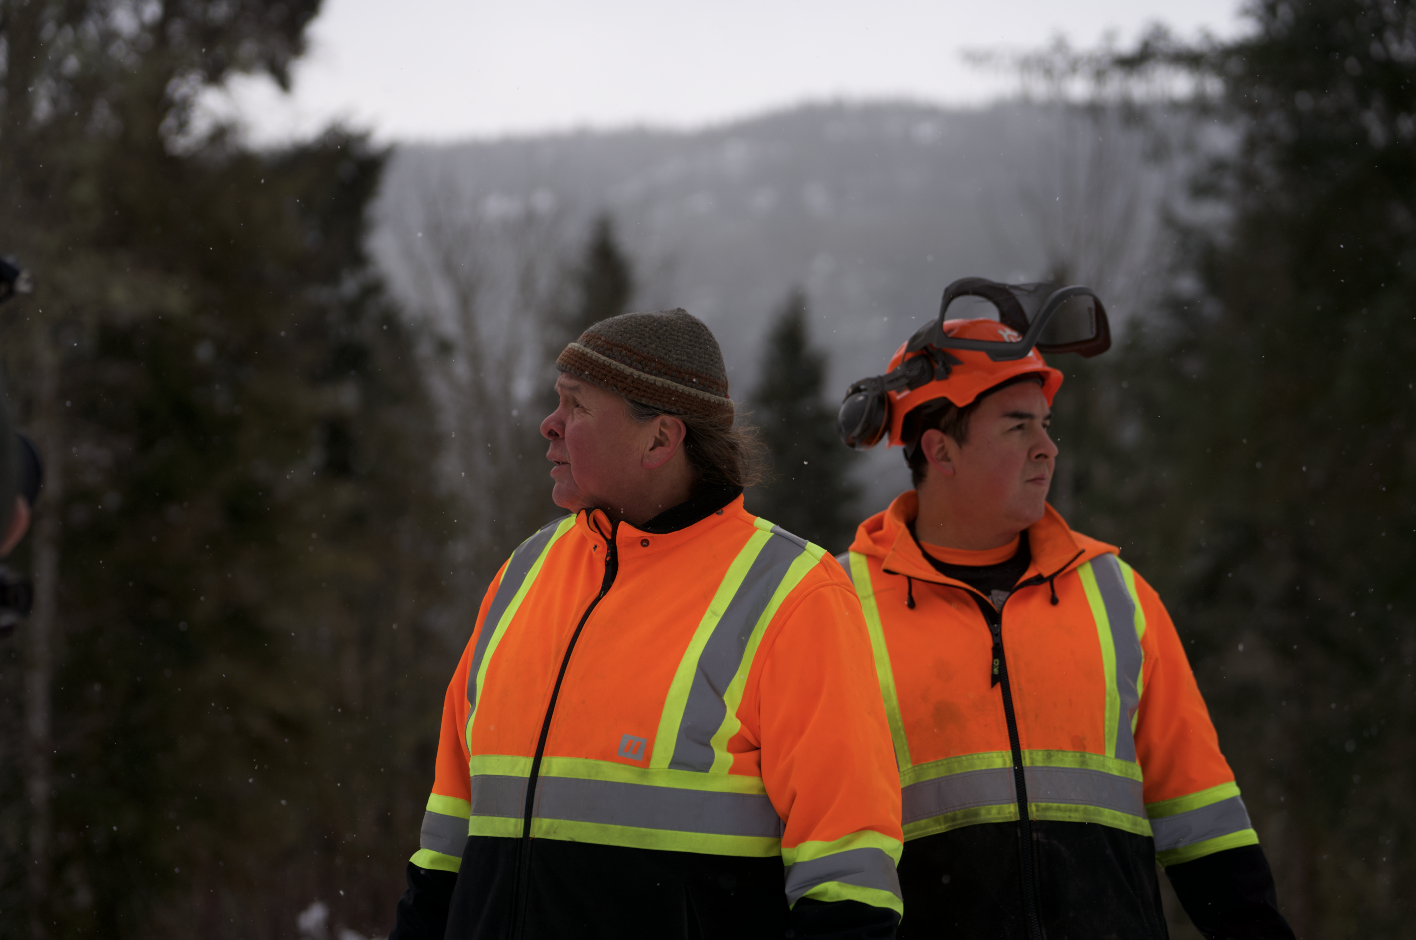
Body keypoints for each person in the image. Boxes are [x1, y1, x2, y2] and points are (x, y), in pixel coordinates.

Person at [391, 308, 904, 940]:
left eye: (576, 406)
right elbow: (447, 838)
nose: (548, 426)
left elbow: (848, 887)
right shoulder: (526, 571)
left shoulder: (796, 593)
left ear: (660, 440)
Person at [835, 279, 1294, 940]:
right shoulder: (836, 610)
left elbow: (1205, 822)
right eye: (1017, 426)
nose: (1047, 447)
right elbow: (809, 850)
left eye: (1044, 425)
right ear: (940, 450)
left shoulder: (1119, 597)